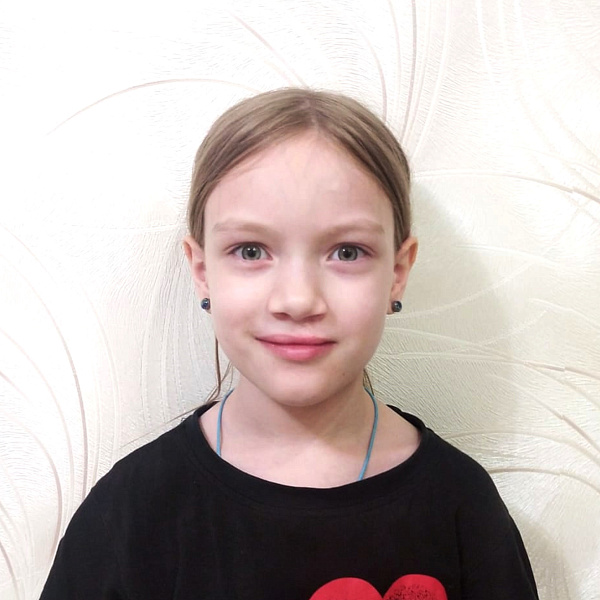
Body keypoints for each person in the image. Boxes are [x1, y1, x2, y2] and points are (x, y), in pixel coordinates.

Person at [40, 88, 539, 600]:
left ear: (398, 271)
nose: (298, 300)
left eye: (347, 252)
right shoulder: (131, 512)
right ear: (202, 270)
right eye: (250, 250)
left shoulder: (460, 506)